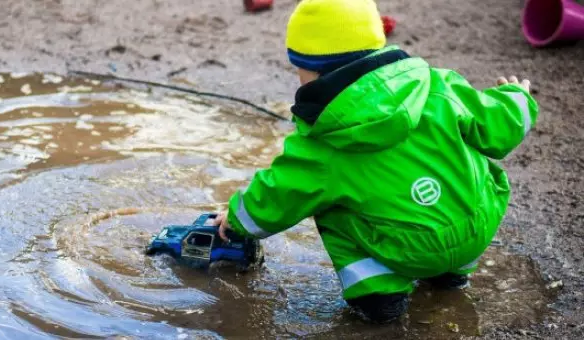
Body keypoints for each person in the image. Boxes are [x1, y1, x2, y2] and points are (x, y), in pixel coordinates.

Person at [214, 0, 538, 323]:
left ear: (311, 70)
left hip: (405, 249)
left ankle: (379, 296)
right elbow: (499, 126)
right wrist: (517, 97)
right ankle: (449, 278)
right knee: (466, 172)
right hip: (476, 227)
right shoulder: (438, 85)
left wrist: (237, 219)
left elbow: (279, 195)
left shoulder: (322, 142)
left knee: (327, 205)